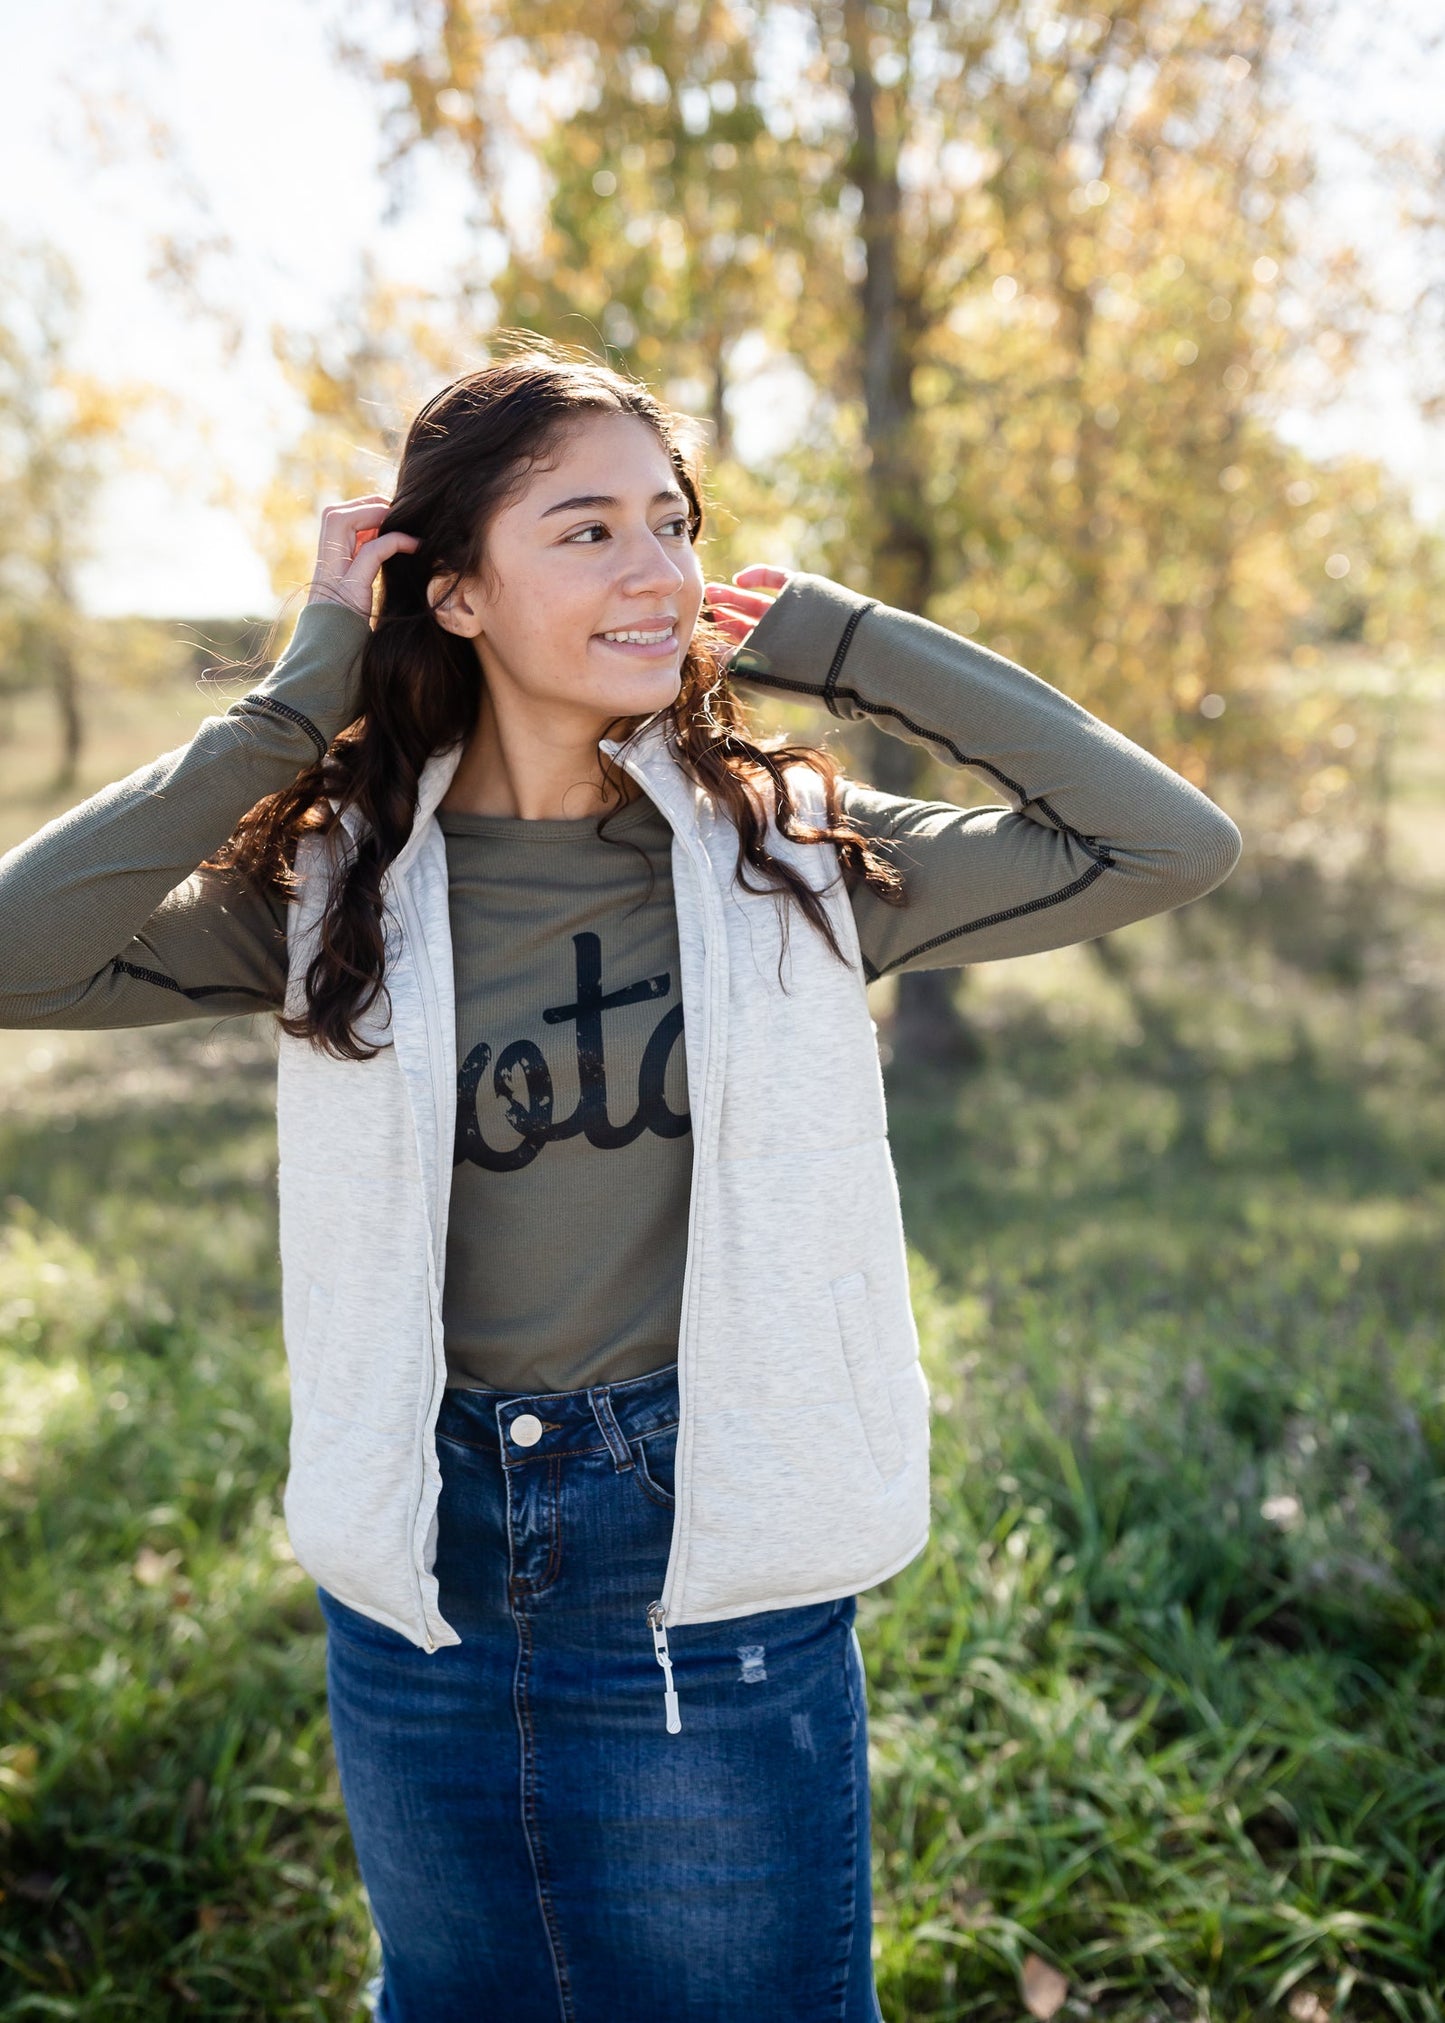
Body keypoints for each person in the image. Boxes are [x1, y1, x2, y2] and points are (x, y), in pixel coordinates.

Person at [0, 343, 1241, 2022]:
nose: (655, 569)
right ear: (448, 597)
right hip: (421, 1558)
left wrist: (845, 646)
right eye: (586, 532)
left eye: (670, 521)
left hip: (705, 1551)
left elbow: (1167, 844)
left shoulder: (794, 850)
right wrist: (297, 701)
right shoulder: (331, 886)